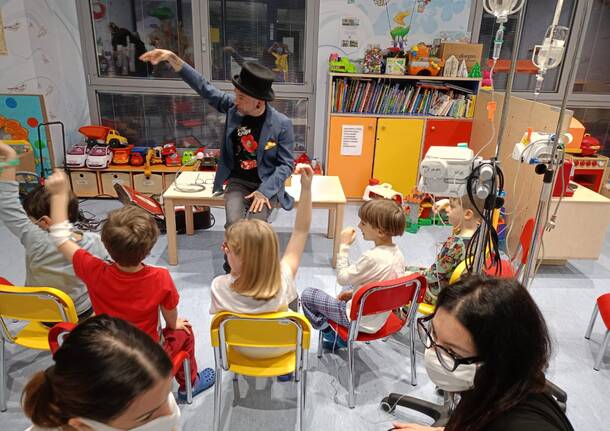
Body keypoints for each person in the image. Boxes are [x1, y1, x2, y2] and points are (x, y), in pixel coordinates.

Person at [45, 170, 214, 401]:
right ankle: (190, 384)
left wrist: (58, 195)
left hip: (111, 348)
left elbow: (60, 238)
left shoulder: (94, 270)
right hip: (147, 353)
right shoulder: (159, 277)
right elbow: (171, 320)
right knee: (184, 332)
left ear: (106, 242)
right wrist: (176, 323)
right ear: (150, 246)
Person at [139, 48, 295, 272]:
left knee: (255, 227)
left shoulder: (282, 124)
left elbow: (286, 164)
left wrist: (265, 191)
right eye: (235, 94)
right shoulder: (234, 108)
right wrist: (175, 60)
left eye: (241, 97)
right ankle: (233, 266)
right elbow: (204, 87)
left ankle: (252, 271)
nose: (236, 100)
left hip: (265, 184)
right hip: (237, 181)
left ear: (259, 103)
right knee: (234, 224)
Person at [390, 275, 574, 431]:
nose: (432, 352)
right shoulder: (493, 389)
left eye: (451, 351)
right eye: (434, 333)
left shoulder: (522, 424)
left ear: (497, 360)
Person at [209, 164, 312, 360]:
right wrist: (306, 189)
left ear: (233, 254)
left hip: (241, 350)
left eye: (226, 247)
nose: (223, 249)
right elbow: (301, 231)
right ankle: (286, 371)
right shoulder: (283, 278)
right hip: (283, 348)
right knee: (293, 296)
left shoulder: (219, 286)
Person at [0, 142, 108, 321]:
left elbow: (6, 202)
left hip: (43, 314)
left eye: (30, 219)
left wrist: (9, 157)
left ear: (44, 222)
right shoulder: (91, 241)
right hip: (81, 314)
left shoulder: (33, 238)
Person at [22, 314, 180, 431]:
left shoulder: (150, 400)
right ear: (84, 426)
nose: (170, 414)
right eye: (145, 418)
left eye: (167, 393)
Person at [301, 199, 406, 350]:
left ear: (380, 231)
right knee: (352, 282)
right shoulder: (398, 255)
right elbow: (380, 287)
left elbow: (342, 278)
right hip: (379, 318)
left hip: (356, 319)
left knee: (307, 296)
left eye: (363, 223)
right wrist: (351, 294)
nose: (358, 226)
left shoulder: (371, 257)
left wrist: (343, 245)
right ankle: (338, 323)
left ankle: (332, 335)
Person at [407, 196, 482, 305]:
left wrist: (411, 274)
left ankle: (403, 314)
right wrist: (448, 203)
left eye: (452, 207)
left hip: (440, 292)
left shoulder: (455, 245)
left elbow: (434, 275)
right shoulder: (480, 237)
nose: (447, 210)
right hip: (460, 290)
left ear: (467, 214)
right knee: (408, 269)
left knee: (402, 279)